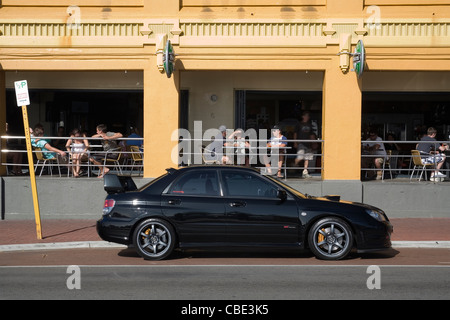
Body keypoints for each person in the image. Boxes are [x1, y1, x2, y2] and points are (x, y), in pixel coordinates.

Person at [294, 111, 314, 178]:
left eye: (308, 116)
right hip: (301, 143)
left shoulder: (309, 125)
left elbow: (311, 134)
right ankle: (294, 165)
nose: (308, 117)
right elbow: (295, 133)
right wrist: (295, 142)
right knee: (300, 157)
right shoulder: (299, 124)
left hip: (308, 144)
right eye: (307, 115)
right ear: (303, 116)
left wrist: (313, 142)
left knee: (307, 158)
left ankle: (305, 172)